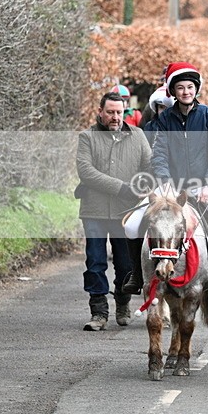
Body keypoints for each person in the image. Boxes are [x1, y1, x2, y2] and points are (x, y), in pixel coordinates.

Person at [122, 61, 208, 300]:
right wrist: (164, 182)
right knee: (132, 225)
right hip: (169, 188)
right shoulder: (165, 120)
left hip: (201, 187)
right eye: (180, 88)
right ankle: (136, 274)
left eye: (189, 87)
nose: (186, 92)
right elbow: (160, 154)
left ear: (196, 89)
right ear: (173, 92)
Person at [76, 92, 152, 331]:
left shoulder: (138, 136)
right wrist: (122, 188)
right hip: (94, 210)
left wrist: (144, 186)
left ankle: (122, 304)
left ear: (125, 112)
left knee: (125, 263)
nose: (115, 117)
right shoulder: (87, 137)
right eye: (110, 112)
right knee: (96, 262)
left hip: (126, 213)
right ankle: (98, 312)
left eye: (119, 112)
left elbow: (148, 168)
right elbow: (86, 172)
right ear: (100, 112)